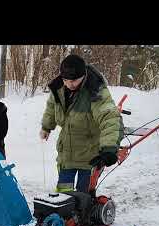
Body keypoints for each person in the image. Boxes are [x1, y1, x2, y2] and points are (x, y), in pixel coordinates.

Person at [39, 54, 124, 193]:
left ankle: (85, 213)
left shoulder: (95, 91)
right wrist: (46, 126)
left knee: (83, 196)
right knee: (63, 193)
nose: (70, 84)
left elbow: (109, 117)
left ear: (83, 75)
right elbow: (51, 107)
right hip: (66, 154)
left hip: (90, 156)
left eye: (74, 80)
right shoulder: (59, 88)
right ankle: (66, 214)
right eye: (66, 80)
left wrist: (109, 147)